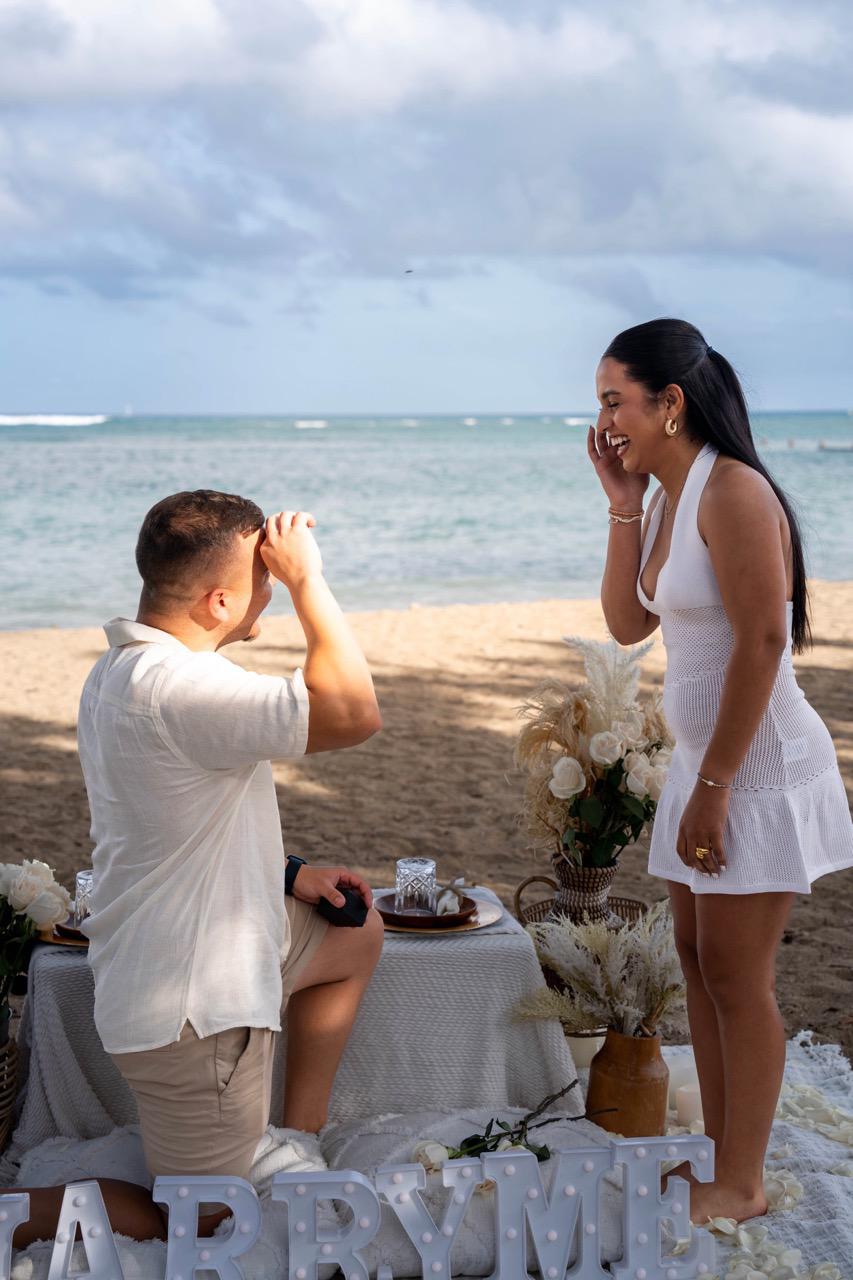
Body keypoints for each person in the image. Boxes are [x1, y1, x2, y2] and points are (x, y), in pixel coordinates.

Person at [11, 490, 383, 1247]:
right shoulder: (187, 688)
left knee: (353, 933)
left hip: (187, 947)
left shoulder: (120, 668)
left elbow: (166, 822)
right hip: (192, 1011)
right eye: (264, 578)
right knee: (198, 1219)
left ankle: (296, 1133)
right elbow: (353, 712)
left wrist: (288, 873)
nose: (272, 592)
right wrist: (311, 581)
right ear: (220, 600)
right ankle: (17, 1214)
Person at [587, 319, 853, 1226]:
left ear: (670, 401)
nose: (605, 419)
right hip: (708, 761)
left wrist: (716, 785)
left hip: (756, 767)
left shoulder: (734, 491)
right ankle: (716, 1161)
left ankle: (741, 1184)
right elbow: (628, 624)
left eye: (615, 400)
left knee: (737, 977)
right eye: (599, 403)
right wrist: (622, 502)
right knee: (697, 963)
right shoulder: (666, 493)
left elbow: (766, 640)